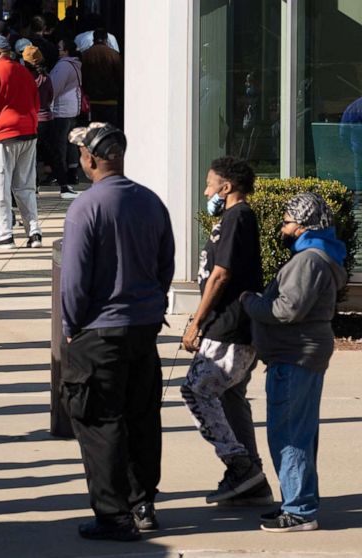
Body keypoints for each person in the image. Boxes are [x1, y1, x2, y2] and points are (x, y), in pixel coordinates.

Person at [60, 122, 175, 541]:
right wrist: (151, 304)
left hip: (98, 331)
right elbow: (166, 264)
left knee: (99, 422)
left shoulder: (86, 207)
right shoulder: (150, 202)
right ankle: (141, 502)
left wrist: (71, 326)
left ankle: (113, 515)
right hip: (142, 328)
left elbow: (74, 278)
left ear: (89, 159)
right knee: (141, 417)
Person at [242, 192, 349, 533]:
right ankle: (299, 502)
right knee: (298, 432)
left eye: (288, 221)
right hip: (299, 355)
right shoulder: (318, 256)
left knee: (289, 435)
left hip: (295, 356)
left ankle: (299, 510)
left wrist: (249, 302)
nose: (284, 228)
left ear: (305, 225)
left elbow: (286, 310)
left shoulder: (309, 261)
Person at [180, 156, 273, 507]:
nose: (207, 191)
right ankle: (253, 479)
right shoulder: (233, 218)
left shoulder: (238, 217)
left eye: (209, 183)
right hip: (228, 326)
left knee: (195, 391)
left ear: (226, 186)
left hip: (229, 328)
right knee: (230, 397)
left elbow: (221, 274)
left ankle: (240, 465)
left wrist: (196, 322)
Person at [0, 34, 44, 249]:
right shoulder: (24, 71)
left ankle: (4, 233)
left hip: (2, 134)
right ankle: (34, 231)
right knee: (25, 185)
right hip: (28, 132)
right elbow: (36, 102)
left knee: (0, 185)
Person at [49, 37, 85, 198]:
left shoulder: (63, 66)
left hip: (62, 109)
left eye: (61, 48)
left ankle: (62, 174)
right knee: (71, 143)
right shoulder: (75, 64)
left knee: (60, 144)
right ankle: (72, 172)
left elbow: (54, 87)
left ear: (66, 51)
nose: (58, 50)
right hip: (73, 107)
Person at [23, 45, 58, 194]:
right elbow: (51, 96)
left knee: (32, 155)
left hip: (32, 119)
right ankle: (61, 182)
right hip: (47, 118)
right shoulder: (46, 77)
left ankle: (34, 184)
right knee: (51, 152)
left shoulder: (25, 78)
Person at [80, 29, 123, 127]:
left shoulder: (85, 54)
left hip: (91, 100)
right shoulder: (114, 55)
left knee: (93, 130)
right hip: (110, 99)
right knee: (109, 130)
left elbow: (82, 76)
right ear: (106, 39)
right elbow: (120, 77)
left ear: (93, 39)